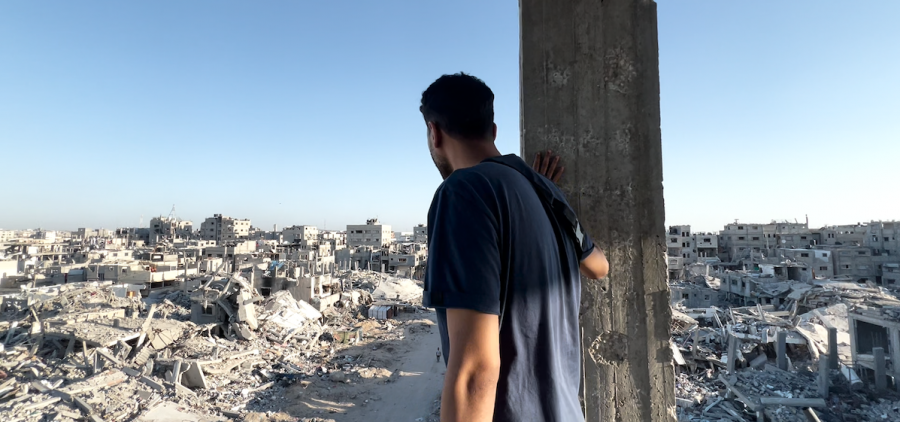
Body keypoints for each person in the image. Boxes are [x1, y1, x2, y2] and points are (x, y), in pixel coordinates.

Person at [420, 73, 609, 422]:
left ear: (434, 133)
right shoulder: (545, 192)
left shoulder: (463, 193)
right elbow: (599, 266)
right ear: (492, 131)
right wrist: (541, 195)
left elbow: (475, 371)